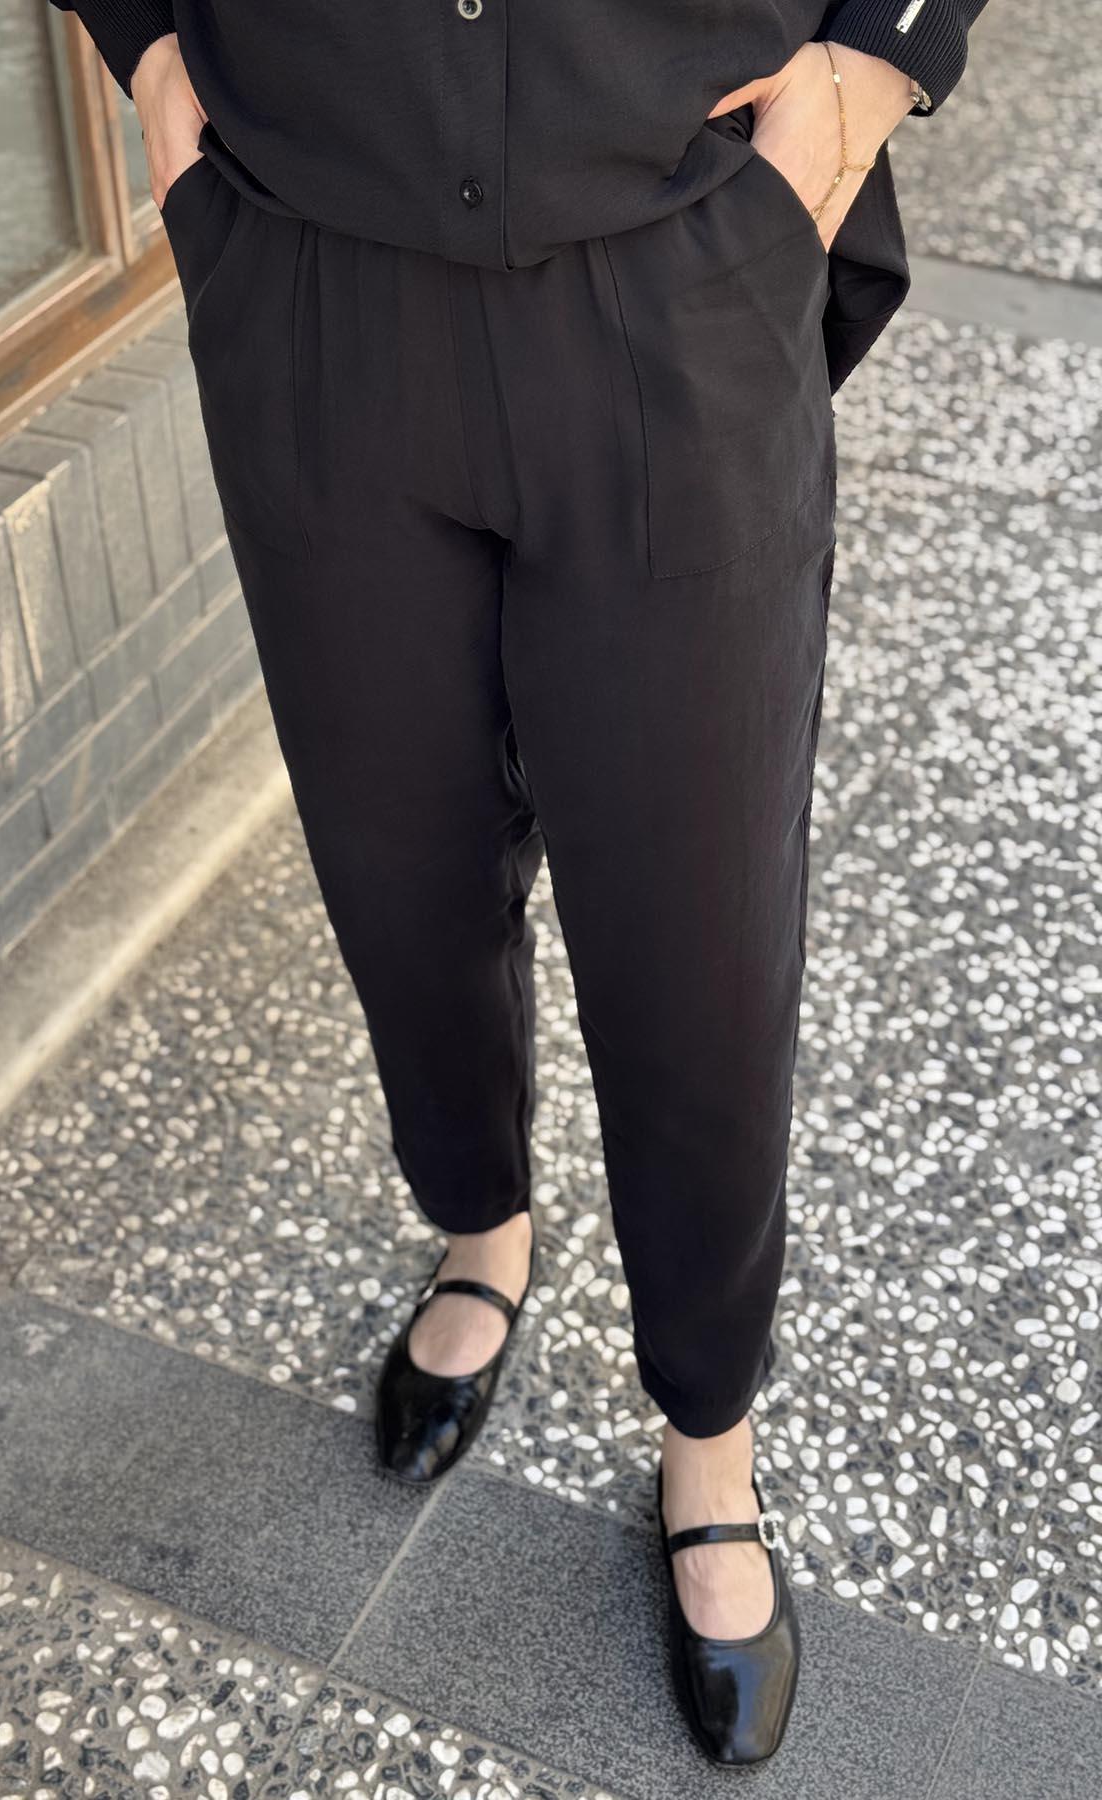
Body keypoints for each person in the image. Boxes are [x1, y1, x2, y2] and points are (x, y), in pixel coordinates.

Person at [51, 0, 988, 1765]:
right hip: (309, 260)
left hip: (677, 246)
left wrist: (871, 68)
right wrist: (153, 56)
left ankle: (708, 1434)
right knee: (395, 863)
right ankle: (483, 1225)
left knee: (698, 930)